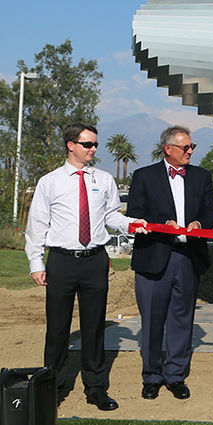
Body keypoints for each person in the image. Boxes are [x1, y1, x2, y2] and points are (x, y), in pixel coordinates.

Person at [25, 122, 148, 411]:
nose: (93, 149)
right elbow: (37, 226)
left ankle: (96, 389)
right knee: (57, 331)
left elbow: (111, 217)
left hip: (95, 261)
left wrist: (132, 223)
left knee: (93, 329)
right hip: (61, 262)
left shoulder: (103, 180)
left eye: (95, 144)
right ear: (71, 145)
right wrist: (35, 263)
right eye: (87, 144)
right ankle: (51, 389)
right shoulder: (50, 182)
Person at [127, 125, 213, 401]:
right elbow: (135, 213)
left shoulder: (201, 176)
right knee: (152, 320)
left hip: (187, 257)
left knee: (182, 319)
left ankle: (176, 375)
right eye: (185, 147)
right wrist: (159, 225)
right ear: (168, 149)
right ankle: (152, 376)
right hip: (153, 257)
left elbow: (211, 212)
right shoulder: (143, 176)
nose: (190, 151)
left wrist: (199, 223)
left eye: (192, 147)